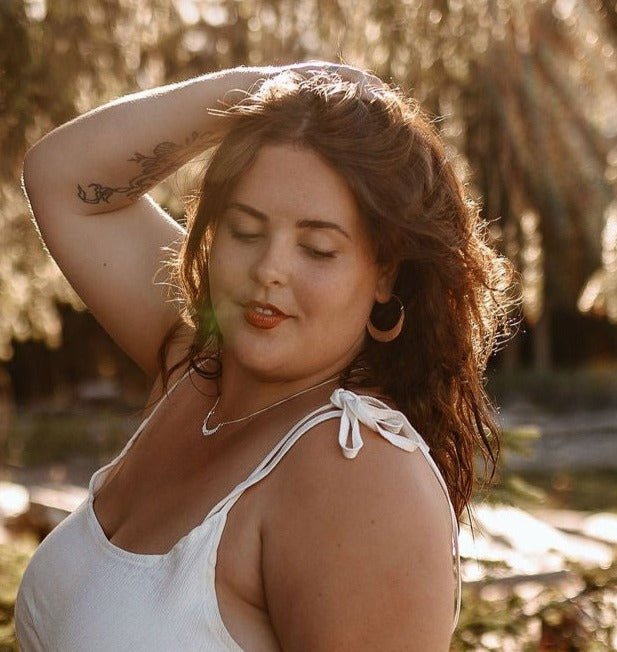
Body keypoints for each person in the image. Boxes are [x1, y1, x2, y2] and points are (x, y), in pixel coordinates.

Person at [15, 61, 515, 651]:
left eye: (318, 248)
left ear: (384, 272)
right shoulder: (195, 370)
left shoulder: (360, 473)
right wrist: (276, 88)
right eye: (245, 232)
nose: (269, 270)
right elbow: (60, 178)